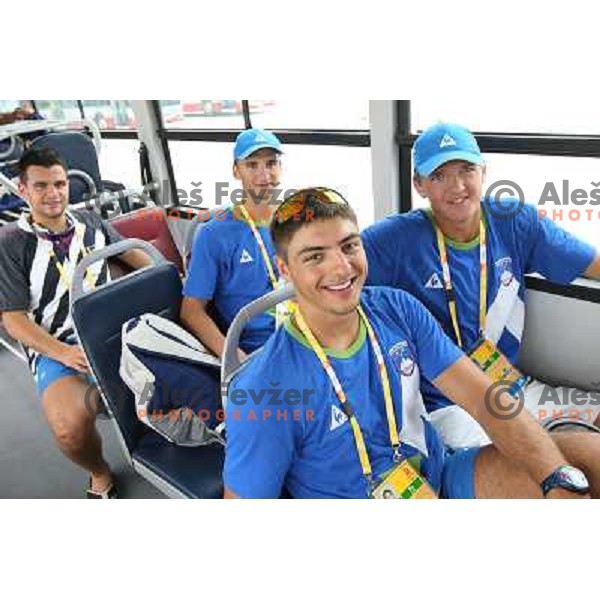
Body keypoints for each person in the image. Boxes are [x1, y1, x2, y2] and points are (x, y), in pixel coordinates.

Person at [223, 188, 600, 499]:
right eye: (315, 256)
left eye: (349, 246)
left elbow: (487, 400)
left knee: (585, 460)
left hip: (441, 476)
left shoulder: (396, 308)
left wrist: (557, 477)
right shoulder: (264, 387)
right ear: (285, 269)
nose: (341, 268)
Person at [362, 122, 600, 449]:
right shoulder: (391, 240)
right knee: (541, 462)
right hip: (447, 405)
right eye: (439, 176)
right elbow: (335, 276)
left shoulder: (514, 219)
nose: (457, 186)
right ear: (419, 185)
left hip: (511, 387)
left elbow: (589, 262)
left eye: (466, 170)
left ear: (483, 172)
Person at [0, 147, 150, 498]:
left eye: (60, 183)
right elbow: (14, 321)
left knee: (179, 378)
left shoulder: (93, 224)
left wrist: (172, 278)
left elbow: (135, 256)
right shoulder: (9, 244)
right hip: (56, 345)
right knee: (70, 427)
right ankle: (99, 472)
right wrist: (64, 353)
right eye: (41, 186)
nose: (53, 193)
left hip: (112, 331)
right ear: (23, 190)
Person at [181, 128, 285, 357]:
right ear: (236, 171)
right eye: (252, 165)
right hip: (261, 348)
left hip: (306, 328)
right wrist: (231, 355)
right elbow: (191, 312)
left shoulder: (295, 220)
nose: (264, 175)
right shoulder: (213, 235)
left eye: (271, 163)